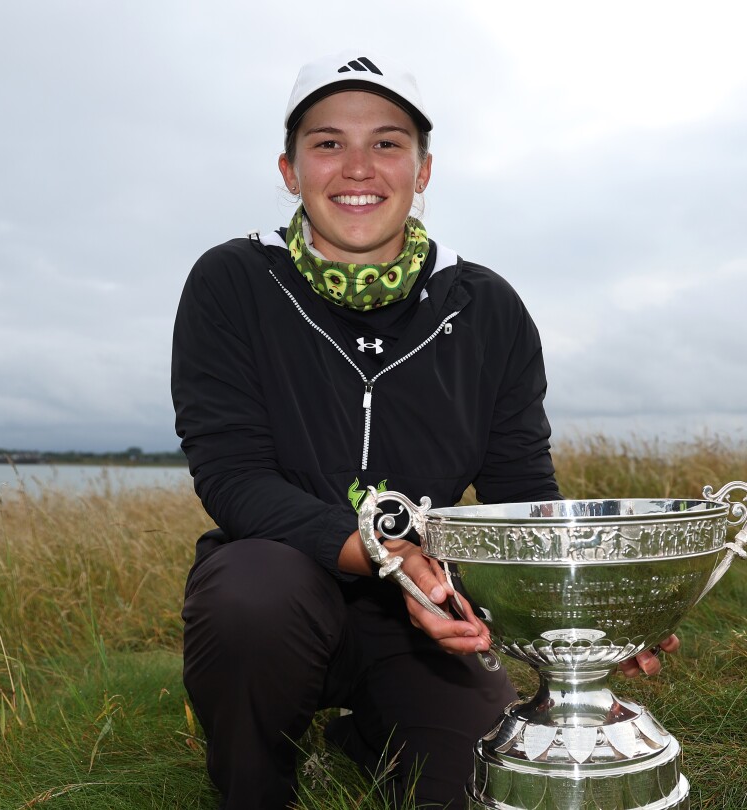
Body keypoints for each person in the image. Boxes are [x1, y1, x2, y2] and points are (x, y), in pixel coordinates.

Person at [171, 49, 676, 809]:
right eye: (328, 142)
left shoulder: (487, 308)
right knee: (250, 599)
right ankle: (255, 778)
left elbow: (520, 493)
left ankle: (372, 729)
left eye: (387, 142)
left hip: (427, 611)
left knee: (474, 784)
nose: (358, 167)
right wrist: (388, 557)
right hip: (281, 585)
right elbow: (233, 475)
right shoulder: (233, 282)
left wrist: (585, 612)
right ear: (289, 169)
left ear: (423, 170)